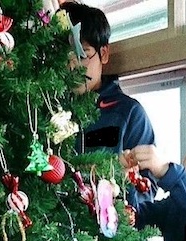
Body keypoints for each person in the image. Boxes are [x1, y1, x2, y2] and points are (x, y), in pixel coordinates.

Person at [61, 2, 156, 154]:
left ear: (103, 54)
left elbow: (146, 176)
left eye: (82, 55)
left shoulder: (128, 113)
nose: (72, 66)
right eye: (63, 57)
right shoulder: (41, 109)